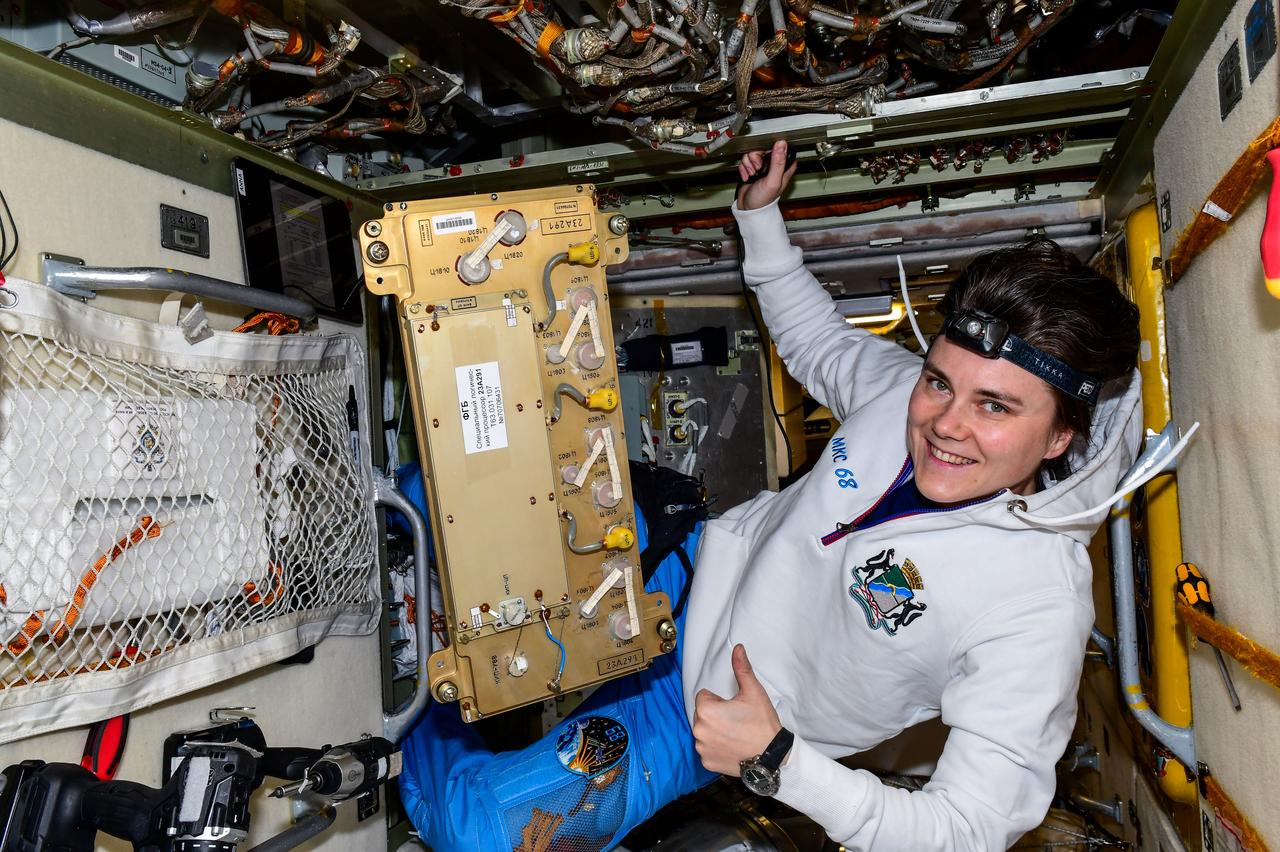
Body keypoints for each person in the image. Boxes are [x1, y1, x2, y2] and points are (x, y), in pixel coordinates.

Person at [398, 140, 1143, 851]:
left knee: (480, 836)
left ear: (1060, 437)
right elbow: (819, 341)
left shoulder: (1038, 602)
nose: (945, 425)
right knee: (439, 497)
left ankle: (427, 693)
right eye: (940, 383)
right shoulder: (903, 397)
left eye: (997, 408)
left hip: (699, 712)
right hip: (683, 564)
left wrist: (780, 758)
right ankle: (444, 625)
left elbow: (969, 829)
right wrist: (760, 218)